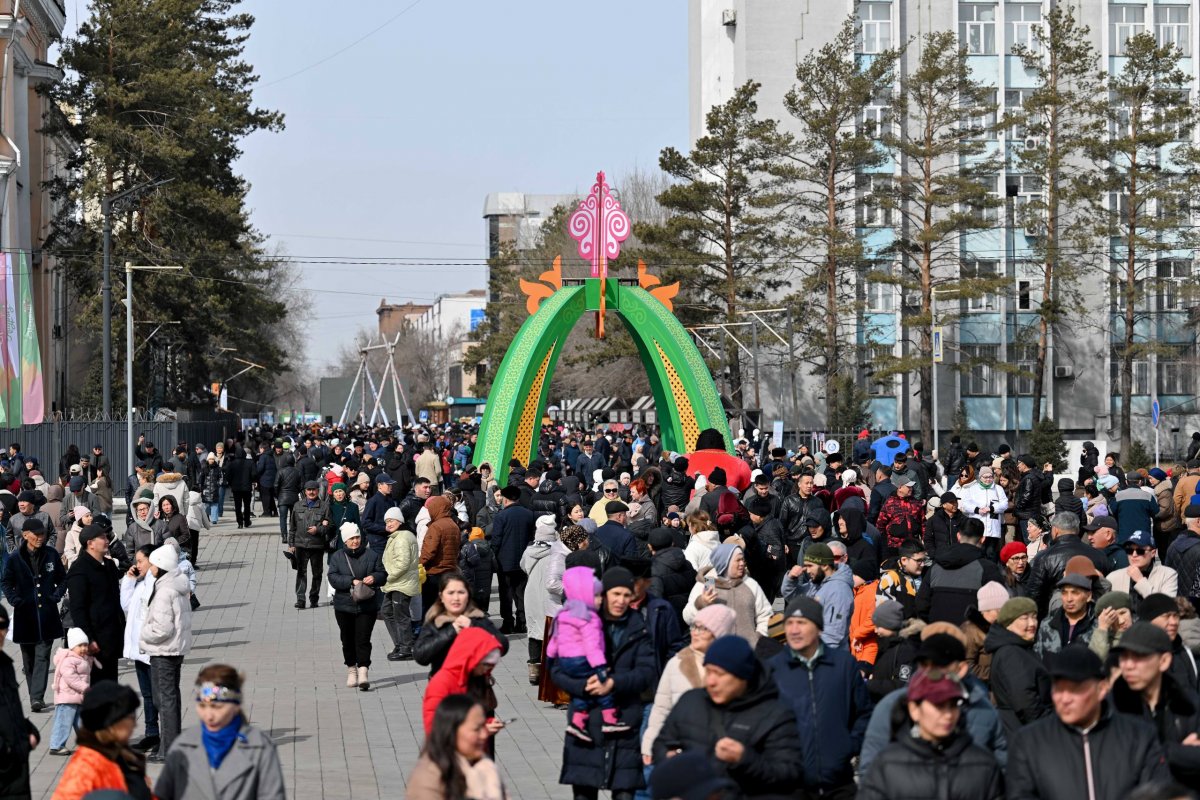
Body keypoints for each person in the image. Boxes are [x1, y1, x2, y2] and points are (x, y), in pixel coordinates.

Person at [1006, 646, 1171, 799]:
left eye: (1075, 689)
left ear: (1102, 689)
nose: (1064, 699)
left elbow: (1157, 793)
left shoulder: (1139, 737)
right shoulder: (1029, 742)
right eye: (1058, 688)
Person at [651, 635, 804, 799]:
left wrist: (745, 759)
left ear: (743, 676)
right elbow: (662, 743)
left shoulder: (776, 715)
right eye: (708, 671)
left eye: (719, 674)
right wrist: (668, 759)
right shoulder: (690, 701)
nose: (710, 681)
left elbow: (789, 775)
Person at [552, 566, 658, 800]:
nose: (621, 600)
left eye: (626, 595)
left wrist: (614, 683)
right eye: (615, 594)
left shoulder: (638, 628)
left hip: (624, 721)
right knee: (584, 793)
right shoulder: (581, 621)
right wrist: (581, 686)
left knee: (624, 794)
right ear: (604, 593)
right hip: (586, 725)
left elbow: (647, 672)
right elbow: (557, 669)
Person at [766, 596, 873, 799]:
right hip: (791, 786)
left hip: (839, 783)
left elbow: (864, 713)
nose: (794, 630)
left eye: (802, 623)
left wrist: (848, 746)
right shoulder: (772, 669)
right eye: (789, 623)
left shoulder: (844, 665)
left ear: (818, 627)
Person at [858, 632, 1007, 778]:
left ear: (961, 669)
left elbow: (1002, 766)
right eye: (924, 664)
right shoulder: (891, 706)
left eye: (940, 665)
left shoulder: (982, 708)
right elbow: (870, 771)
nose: (930, 672)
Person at [858, 667, 1003, 800]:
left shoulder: (984, 763)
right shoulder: (886, 764)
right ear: (914, 709)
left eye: (953, 705)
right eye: (938, 705)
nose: (948, 715)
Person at [154, 664, 286, 800]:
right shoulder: (184, 744)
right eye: (202, 706)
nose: (209, 715)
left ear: (236, 706)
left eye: (217, 707)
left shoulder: (259, 747)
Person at [642, 604, 736, 766]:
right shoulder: (677, 662)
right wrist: (650, 744)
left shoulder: (733, 665)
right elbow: (661, 708)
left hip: (721, 752)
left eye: (703, 628)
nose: (695, 633)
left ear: (718, 634)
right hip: (682, 750)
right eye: (694, 626)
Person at [1109, 621, 1200, 786]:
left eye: (1138, 656)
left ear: (1164, 661)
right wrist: (1177, 752)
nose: (1128, 666)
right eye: (1124, 657)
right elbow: (1115, 762)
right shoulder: (1110, 706)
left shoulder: (1189, 704)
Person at [548, 566, 630, 739]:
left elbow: (554, 639)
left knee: (582, 692)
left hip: (565, 661)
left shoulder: (564, 613)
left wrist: (550, 657)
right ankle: (610, 719)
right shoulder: (589, 617)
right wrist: (600, 667)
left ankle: (577, 722)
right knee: (601, 687)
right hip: (583, 660)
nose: (600, 600)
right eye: (597, 595)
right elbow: (592, 646)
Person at [1, 518, 66, 712]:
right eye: (36, 535)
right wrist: (14, 600)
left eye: (43, 534)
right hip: (25, 616)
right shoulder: (15, 559)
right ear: (25, 535)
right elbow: (5, 582)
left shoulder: (51, 554)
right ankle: (34, 695)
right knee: (28, 660)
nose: (40, 538)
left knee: (42, 656)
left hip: (47, 615)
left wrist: (56, 595)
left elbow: (63, 580)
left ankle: (37, 697)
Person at [52, 681, 152, 800]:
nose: (135, 724)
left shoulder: (124, 756)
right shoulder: (85, 767)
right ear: (111, 723)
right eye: (130, 718)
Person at [139, 543, 193, 759]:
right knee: (171, 697)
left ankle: (168, 749)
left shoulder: (164, 591)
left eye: (152, 564)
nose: (150, 568)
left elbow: (162, 628)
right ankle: (170, 746)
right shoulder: (177, 585)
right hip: (175, 649)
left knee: (164, 700)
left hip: (163, 651)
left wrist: (144, 634)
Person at [406, 694, 507, 800]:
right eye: (476, 729)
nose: (484, 734)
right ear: (452, 731)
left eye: (484, 726)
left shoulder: (485, 766)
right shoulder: (429, 778)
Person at [326, 522, 387, 691]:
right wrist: (350, 581)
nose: (355, 541)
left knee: (363, 639)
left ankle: (363, 671)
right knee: (347, 639)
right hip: (344, 605)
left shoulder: (372, 555)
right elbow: (332, 577)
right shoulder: (337, 557)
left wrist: (374, 578)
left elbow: (383, 574)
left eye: (357, 537)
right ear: (345, 540)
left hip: (367, 605)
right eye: (351, 538)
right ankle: (351, 669)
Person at [983, 596, 1052, 739]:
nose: (1032, 623)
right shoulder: (1011, 653)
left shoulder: (1020, 648)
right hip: (1022, 732)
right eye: (1024, 618)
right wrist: (1047, 728)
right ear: (1008, 623)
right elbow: (1025, 701)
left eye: (1034, 617)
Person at [416, 572, 508, 677]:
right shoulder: (435, 620)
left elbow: (503, 645)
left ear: (468, 595)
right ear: (441, 596)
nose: (456, 598)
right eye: (450, 593)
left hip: (474, 687)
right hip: (443, 686)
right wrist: (451, 630)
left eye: (461, 592)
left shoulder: (477, 618)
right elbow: (421, 656)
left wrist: (474, 626)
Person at [681, 543, 771, 648]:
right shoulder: (708, 582)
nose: (742, 564)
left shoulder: (749, 583)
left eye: (743, 560)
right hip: (715, 652)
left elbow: (765, 614)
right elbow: (687, 616)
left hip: (747, 651)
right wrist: (701, 603)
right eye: (738, 560)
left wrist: (759, 636)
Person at [915, 518, 1004, 624]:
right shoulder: (988, 568)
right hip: (972, 636)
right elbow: (998, 608)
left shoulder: (936, 566)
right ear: (983, 539)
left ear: (958, 536)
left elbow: (921, 604)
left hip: (937, 632)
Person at [66, 524, 125, 683]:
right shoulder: (79, 570)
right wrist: (89, 639)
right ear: (90, 543)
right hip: (94, 639)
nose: (107, 540)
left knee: (111, 685)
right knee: (96, 688)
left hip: (112, 635)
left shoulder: (110, 566)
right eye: (103, 538)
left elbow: (115, 601)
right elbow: (77, 609)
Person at [421, 628, 505, 738]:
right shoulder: (442, 683)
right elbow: (435, 727)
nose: (487, 670)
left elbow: (472, 717)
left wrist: (487, 724)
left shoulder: (476, 679)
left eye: (491, 665)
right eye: (485, 664)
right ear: (471, 658)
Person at [1026, 510, 1111, 615]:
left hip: (1055, 616)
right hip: (1091, 616)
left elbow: (1033, 594)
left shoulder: (1044, 557)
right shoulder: (1099, 555)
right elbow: (1104, 588)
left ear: (1055, 530)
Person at [119, 545, 160, 756]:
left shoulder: (157, 584)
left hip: (152, 650)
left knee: (158, 695)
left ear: (153, 562)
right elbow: (126, 604)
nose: (137, 565)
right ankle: (151, 732)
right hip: (138, 650)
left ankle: (164, 736)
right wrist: (129, 580)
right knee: (147, 694)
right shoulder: (142, 583)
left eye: (140, 561)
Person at [780, 542, 854, 648]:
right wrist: (791, 579)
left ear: (824, 565)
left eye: (810, 566)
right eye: (805, 566)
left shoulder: (839, 590)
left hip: (827, 658)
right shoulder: (817, 583)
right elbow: (794, 598)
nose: (807, 571)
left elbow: (833, 635)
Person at [0, 604, 39, 799]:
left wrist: (28, 731)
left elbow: (10, 709)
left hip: (16, 771)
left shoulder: (6, 665)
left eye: (2, 626)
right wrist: (7, 750)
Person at [521, 515, 558, 685]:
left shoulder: (529, 551)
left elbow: (523, 566)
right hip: (550, 595)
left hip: (532, 593)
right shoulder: (557, 553)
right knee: (550, 630)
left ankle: (534, 670)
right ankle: (550, 668)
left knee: (534, 629)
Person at [1107, 529, 1179, 611]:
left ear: (1153, 553)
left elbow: (1166, 608)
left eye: (1140, 551)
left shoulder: (1168, 574)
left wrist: (1140, 581)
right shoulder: (1113, 577)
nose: (1134, 555)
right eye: (1129, 551)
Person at [47, 628, 94, 755]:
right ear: (72, 646)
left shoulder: (81, 658)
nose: (83, 648)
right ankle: (56, 745)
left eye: (85, 645)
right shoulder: (68, 660)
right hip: (67, 698)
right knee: (63, 721)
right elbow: (71, 678)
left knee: (81, 722)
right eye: (80, 646)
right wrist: (85, 687)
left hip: (78, 697)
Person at [382, 506, 419, 662]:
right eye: (387, 521)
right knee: (387, 611)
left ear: (400, 521)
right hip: (399, 582)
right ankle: (401, 644)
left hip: (400, 582)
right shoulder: (399, 535)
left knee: (400, 615)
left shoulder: (403, 537)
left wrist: (390, 577)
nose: (389, 524)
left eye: (391, 520)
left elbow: (402, 563)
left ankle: (406, 648)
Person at [288, 480, 328, 610]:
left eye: (314, 489)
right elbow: (292, 527)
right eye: (309, 490)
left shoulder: (324, 506)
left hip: (317, 545)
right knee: (301, 572)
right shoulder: (297, 505)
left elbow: (329, 526)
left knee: (317, 573)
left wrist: (319, 530)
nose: (311, 492)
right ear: (305, 492)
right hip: (300, 545)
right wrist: (291, 544)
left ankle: (314, 598)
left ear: (318, 491)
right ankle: (300, 599)